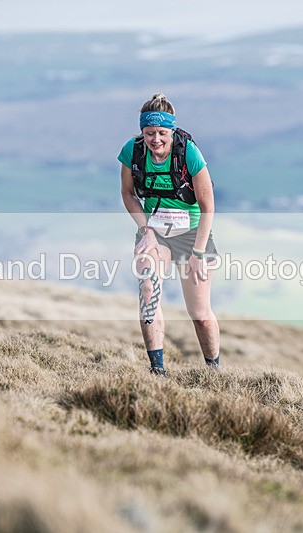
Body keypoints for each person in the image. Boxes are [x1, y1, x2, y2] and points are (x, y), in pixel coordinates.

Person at [118, 93, 220, 376]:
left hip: (192, 234)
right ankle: (157, 371)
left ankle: (214, 370)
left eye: (162, 133)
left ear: (172, 131)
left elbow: (208, 206)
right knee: (148, 291)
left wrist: (199, 253)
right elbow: (127, 194)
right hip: (155, 233)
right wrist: (145, 230)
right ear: (142, 132)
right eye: (149, 133)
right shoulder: (132, 151)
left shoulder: (189, 153)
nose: (156, 140)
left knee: (200, 315)